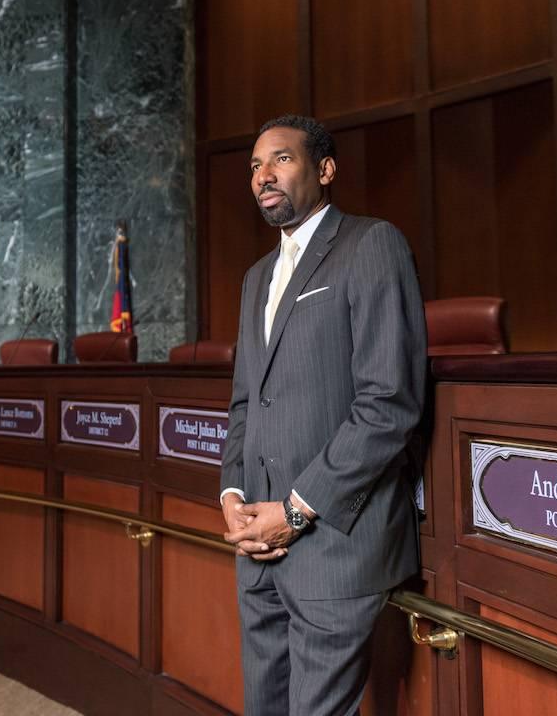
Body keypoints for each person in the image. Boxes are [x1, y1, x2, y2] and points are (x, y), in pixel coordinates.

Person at [220, 114, 427, 715]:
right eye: (255, 166)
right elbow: (244, 401)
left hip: (333, 543)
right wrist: (233, 495)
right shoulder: (256, 277)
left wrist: (294, 510)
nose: (264, 176)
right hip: (258, 547)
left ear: (326, 169)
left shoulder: (371, 244)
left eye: (280, 159)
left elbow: (389, 403)